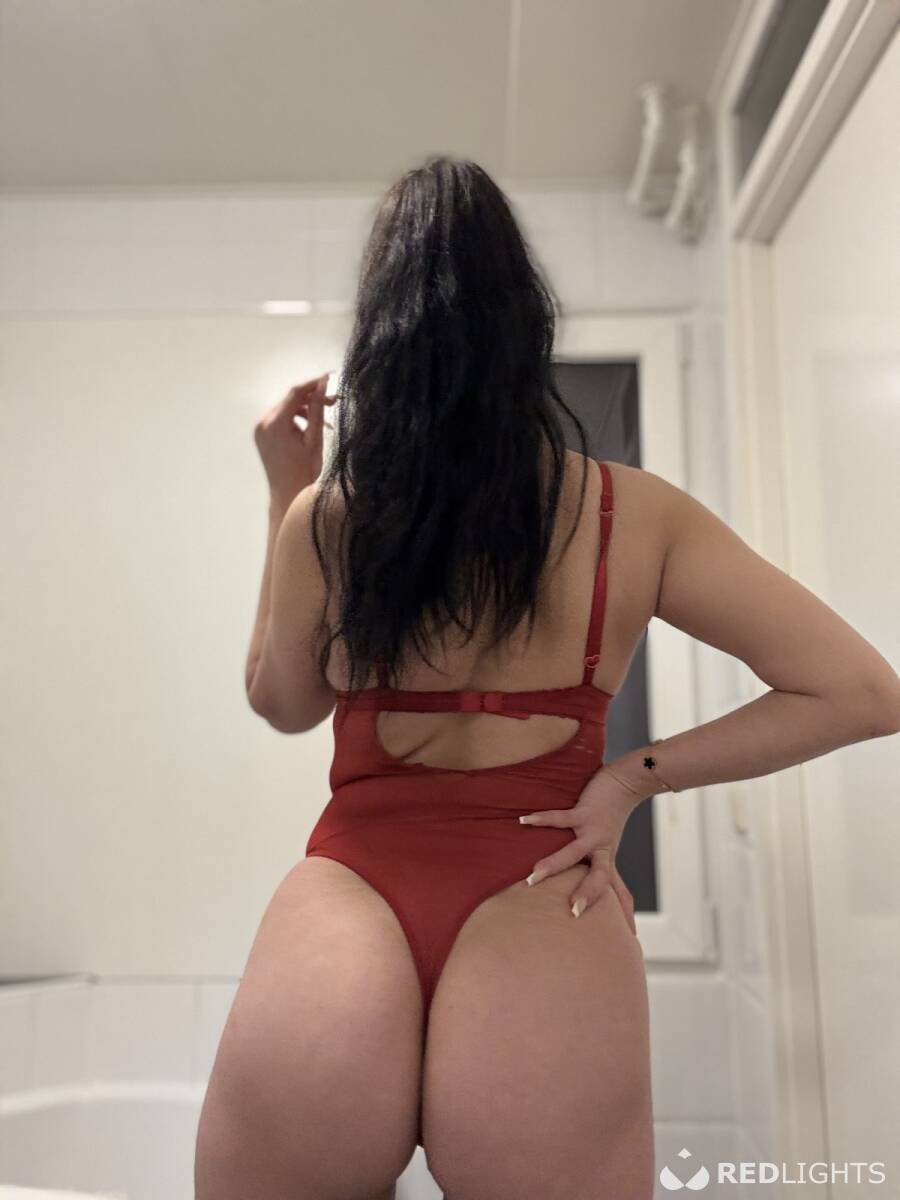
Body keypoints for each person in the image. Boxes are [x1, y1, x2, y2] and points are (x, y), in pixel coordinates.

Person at [194, 156, 900, 1200]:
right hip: (546, 888)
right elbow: (862, 691)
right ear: (524, 328)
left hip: (350, 889)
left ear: (381, 337)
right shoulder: (632, 512)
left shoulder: (333, 517)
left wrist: (287, 496)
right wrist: (628, 782)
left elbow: (283, 703)